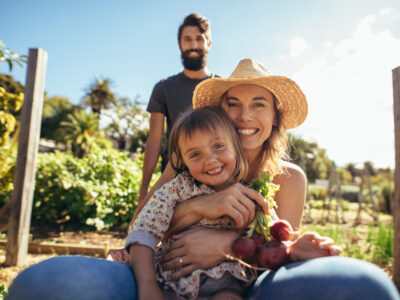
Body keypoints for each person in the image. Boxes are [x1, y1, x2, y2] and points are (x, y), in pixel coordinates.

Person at [6, 59, 399, 300]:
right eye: (234, 104)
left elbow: (274, 257)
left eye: (258, 104)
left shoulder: (288, 178)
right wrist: (196, 208)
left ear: (276, 116)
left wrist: (227, 243)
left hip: (238, 286)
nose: (245, 117)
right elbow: (142, 227)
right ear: (219, 113)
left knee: (361, 288)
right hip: (166, 277)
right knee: (48, 285)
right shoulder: (185, 169)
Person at [129, 107, 256, 300]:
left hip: (225, 286)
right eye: (195, 155)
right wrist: (147, 284)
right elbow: (143, 232)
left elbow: (267, 238)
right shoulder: (176, 190)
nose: (210, 160)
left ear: (236, 147)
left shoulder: (249, 195)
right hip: (173, 282)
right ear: (183, 161)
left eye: (218, 146)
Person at [138, 13, 218, 207]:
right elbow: (154, 141)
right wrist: (144, 192)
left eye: (200, 38)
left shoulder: (221, 88)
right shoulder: (164, 88)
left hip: (214, 179)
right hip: (173, 179)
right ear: (179, 44)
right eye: (187, 39)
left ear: (209, 43)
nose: (194, 45)